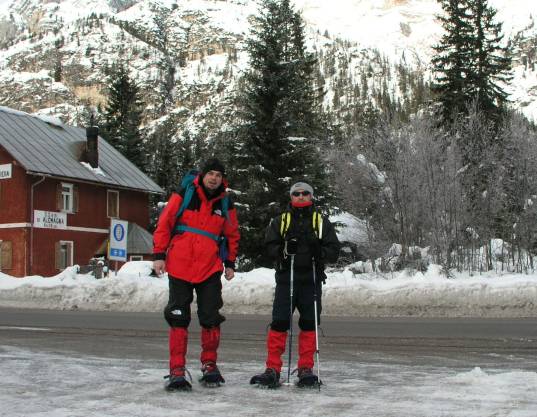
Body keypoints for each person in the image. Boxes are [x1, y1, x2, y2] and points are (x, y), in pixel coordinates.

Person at [153, 158, 240, 391]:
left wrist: (230, 262)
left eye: (218, 175)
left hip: (209, 268)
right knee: (178, 317)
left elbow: (232, 234)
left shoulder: (226, 203)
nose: (214, 178)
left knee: (210, 318)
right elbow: (165, 222)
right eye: (210, 173)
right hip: (180, 265)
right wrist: (159, 254)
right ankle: (177, 370)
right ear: (202, 175)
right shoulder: (184, 194)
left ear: (223, 179)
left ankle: (209, 365)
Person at [250, 181, 340, 388]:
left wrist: (320, 252)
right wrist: (283, 250)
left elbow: (334, 251)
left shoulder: (321, 222)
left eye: (305, 193)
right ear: (291, 197)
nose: (301, 197)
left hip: (311, 280)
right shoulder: (280, 221)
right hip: (286, 279)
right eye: (296, 193)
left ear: (311, 197)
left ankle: (305, 369)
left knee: (309, 324)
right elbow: (268, 247)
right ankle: (272, 369)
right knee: (280, 322)